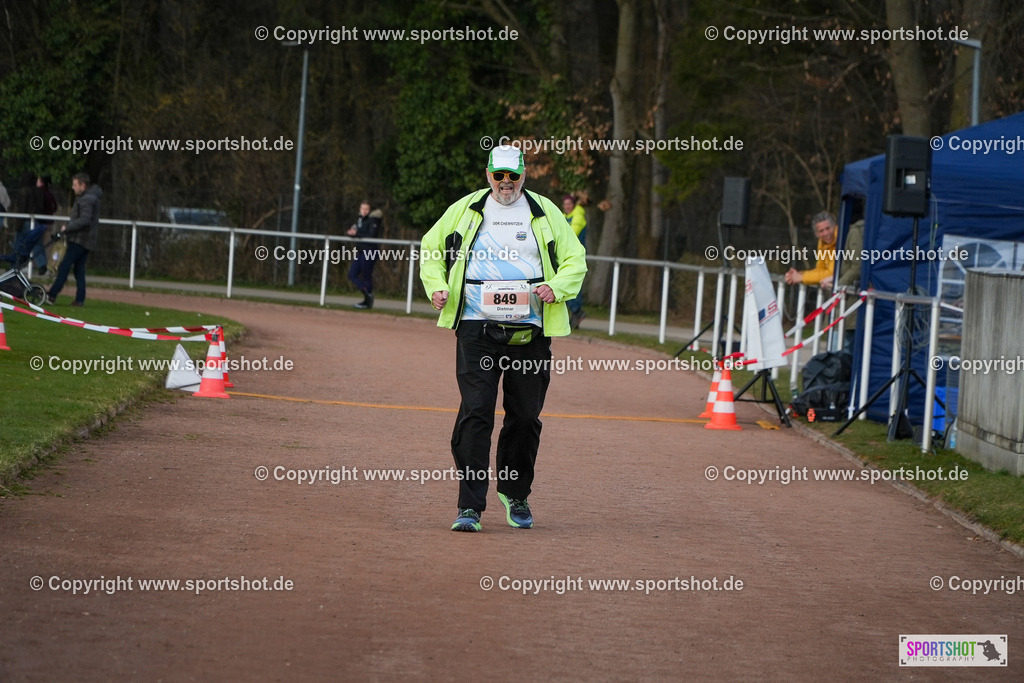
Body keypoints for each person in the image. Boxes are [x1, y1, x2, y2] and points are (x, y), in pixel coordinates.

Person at [420, 145, 587, 532]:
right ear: (488, 174)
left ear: (524, 174)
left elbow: (575, 258)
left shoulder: (544, 211)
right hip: (477, 326)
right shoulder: (466, 209)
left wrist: (558, 287)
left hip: (531, 328)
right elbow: (431, 248)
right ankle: (469, 506)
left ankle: (515, 493)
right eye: (499, 176)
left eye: (513, 176)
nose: (506, 183)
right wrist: (437, 286)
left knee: (525, 416)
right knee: (476, 410)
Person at [47, 173, 102, 307]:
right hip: (87, 241)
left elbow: (84, 220)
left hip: (79, 239)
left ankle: (52, 294)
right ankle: (79, 299)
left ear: (83, 185)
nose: (73, 187)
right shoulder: (91, 198)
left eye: (75, 185)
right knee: (79, 270)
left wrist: (67, 228)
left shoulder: (86, 200)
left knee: (64, 265)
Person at [785, 211, 837, 287]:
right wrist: (799, 275)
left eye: (828, 228)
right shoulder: (822, 243)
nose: (826, 233)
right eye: (821, 231)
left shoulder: (840, 240)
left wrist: (802, 277)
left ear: (834, 226)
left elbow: (832, 273)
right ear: (817, 234)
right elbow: (820, 269)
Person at [346, 201, 381, 309]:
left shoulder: (373, 220)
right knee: (352, 274)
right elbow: (355, 231)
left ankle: (367, 301)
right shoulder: (360, 219)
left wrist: (357, 234)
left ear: (370, 210)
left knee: (366, 276)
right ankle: (367, 295)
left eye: (367, 209)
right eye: (362, 208)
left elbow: (372, 235)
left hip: (370, 251)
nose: (364, 211)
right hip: (361, 250)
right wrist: (352, 233)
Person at [561, 194, 587, 329]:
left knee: (572, 285)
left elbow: (571, 235)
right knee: (565, 285)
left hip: (575, 256)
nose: (567, 206)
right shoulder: (563, 217)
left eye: (569, 204)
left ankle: (577, 311)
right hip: (565, 256)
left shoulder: (578, 217)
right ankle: (575, 313)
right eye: (565, 204)